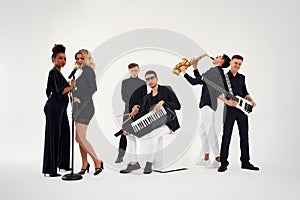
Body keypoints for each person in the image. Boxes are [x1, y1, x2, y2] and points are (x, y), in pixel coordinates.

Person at [120, 70, 181, 174]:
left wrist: (163, 102)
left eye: (152, 78)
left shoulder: (166, 90)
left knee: (154, 134)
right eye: (147, 79)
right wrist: (135, 110)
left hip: (168, 124)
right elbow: (143, 115)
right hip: (153, 124)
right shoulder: (147, 97)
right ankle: (134, 163)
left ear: (157, 78)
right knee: (130, 135)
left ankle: (149, 163)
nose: (150, 80)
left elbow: (177, 105)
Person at [180, 54, 231, 168]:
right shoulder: (217, 72)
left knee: (210, 131)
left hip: (208, 104)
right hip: (207, 104)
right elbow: (201, 81)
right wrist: (195, 68)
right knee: (202, 131)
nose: (215, 57)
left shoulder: (214, 71)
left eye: (218, 56)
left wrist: (184, 72)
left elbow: (195, 82)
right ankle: (206, 157)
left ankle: (218, 159)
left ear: (221, 61)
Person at [218, 55, 259, 172]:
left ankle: (245, 162)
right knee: (226, 136)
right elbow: (218, 93)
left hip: (242, 110)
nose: (237, 66)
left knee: (244, 136)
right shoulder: (223, 77)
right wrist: (227, 102)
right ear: (231, 62)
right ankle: (223, 163)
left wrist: (251, 100)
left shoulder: (242, 77)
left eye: (240, 64)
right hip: (230, 109)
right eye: (236, 63)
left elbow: (245, 92)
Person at [43, 44, 75, 177]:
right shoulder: (53, 73)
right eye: (60, 58)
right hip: (54, 108)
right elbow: (59, 91)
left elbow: (66, 91)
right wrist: (72, 86)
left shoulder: (59, 74)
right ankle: (50, 170)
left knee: (65, 134)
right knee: (53, 137)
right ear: (53, 59)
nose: (63, 61)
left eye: (65, 59)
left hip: (61, 109)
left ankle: (62, 164)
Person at [73, 49, 103, 176]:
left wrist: (81, 99)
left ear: (87, 58)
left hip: (86, 107)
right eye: (77, 58)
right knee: (80, 138)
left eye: (82, 58)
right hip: (80, 107)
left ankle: (97, 161)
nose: (79, 61)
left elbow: (93, 88)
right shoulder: (82, 71)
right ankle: (85, 164)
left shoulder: (88, 70)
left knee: (79, 138)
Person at [115, 63, 146, 163]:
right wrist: (132, 106)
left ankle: (140, 158)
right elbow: (124, 96)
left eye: (136, 70)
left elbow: (144, 97)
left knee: (138, 133)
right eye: (132, 71)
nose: (134, 72)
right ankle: (120, 156)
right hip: (128, 110)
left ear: (138, 70)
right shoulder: (125, 82)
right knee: (124, 133)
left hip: (139, 111)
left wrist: (137, 107)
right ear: (129, 71)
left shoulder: (143, 83)